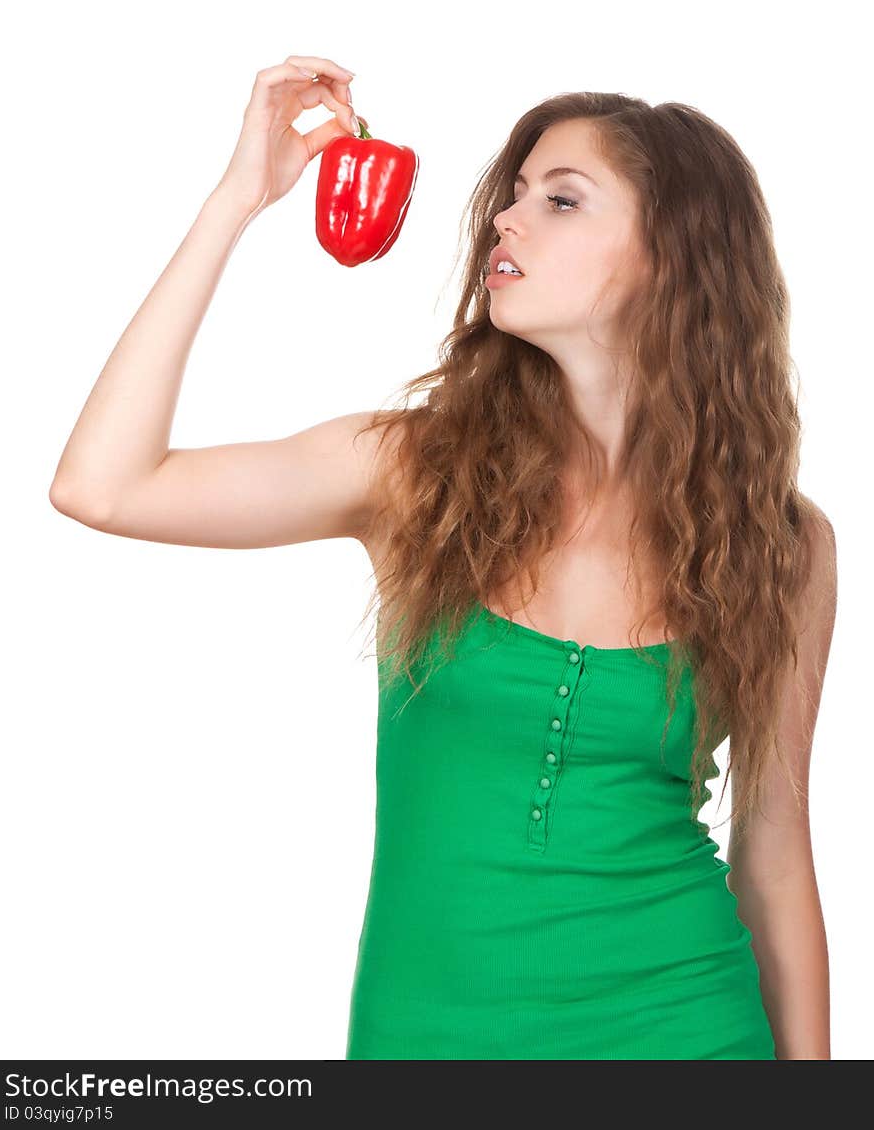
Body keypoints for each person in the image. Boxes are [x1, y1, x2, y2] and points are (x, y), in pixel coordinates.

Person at [50, 53, 837, 1061]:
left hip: (686, 1031)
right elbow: (103, 485)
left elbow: (773, 854)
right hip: (428, 1045)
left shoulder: (781, 543)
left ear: (671, 257)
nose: (505, 220)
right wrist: (239, 198)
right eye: (512, 197)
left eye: (561, 200)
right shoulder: (415, 473)